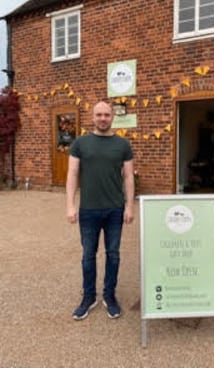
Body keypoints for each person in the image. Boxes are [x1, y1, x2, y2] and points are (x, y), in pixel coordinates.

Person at [66, 100, 134, 320]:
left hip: (115, 209)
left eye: (106, 114)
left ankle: (109, 296)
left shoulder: (122, 145)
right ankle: (88, 297)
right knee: (88, 255)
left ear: (112, 116)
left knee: (113, 255)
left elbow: (129, 176)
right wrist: (70, 205)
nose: (103, 118)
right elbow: (72, 174)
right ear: (92, 117)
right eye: (99, 115)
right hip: (89, 210)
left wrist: (130, 206)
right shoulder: (80, 143)